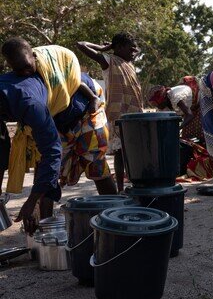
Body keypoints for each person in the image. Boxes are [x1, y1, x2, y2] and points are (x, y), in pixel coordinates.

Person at [1, 38, 116, 232]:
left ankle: (117, 217)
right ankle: (47, 227)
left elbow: (52, 153)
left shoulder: (30, 102)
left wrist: (31, 202)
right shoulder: (14, 87)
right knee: (48, 172)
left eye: (28, 68)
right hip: (55, 119)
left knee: (95, 163)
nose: (25, 73)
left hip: (85, 111)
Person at [77, 32, 143, 192]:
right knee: (121, 153)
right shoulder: (109, 61)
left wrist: (131, 48)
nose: (133, 52)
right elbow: (81, 44)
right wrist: (103, 47)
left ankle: (136, 184)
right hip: (118, 114)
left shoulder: (129, 63)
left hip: (134, 114)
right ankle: (120, 188)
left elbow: (137, 50)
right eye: (130, 49)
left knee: (133, 151)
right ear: (118, 48)